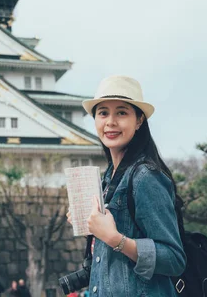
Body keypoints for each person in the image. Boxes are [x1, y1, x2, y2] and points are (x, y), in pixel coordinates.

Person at [67, 76, 186, 296]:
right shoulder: (108, 178)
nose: (110, 122)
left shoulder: (146, 177)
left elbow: (174, 259)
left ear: (139, 120)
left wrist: (114, 239)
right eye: (103, 113)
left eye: (121, 112)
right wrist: (91, 226)